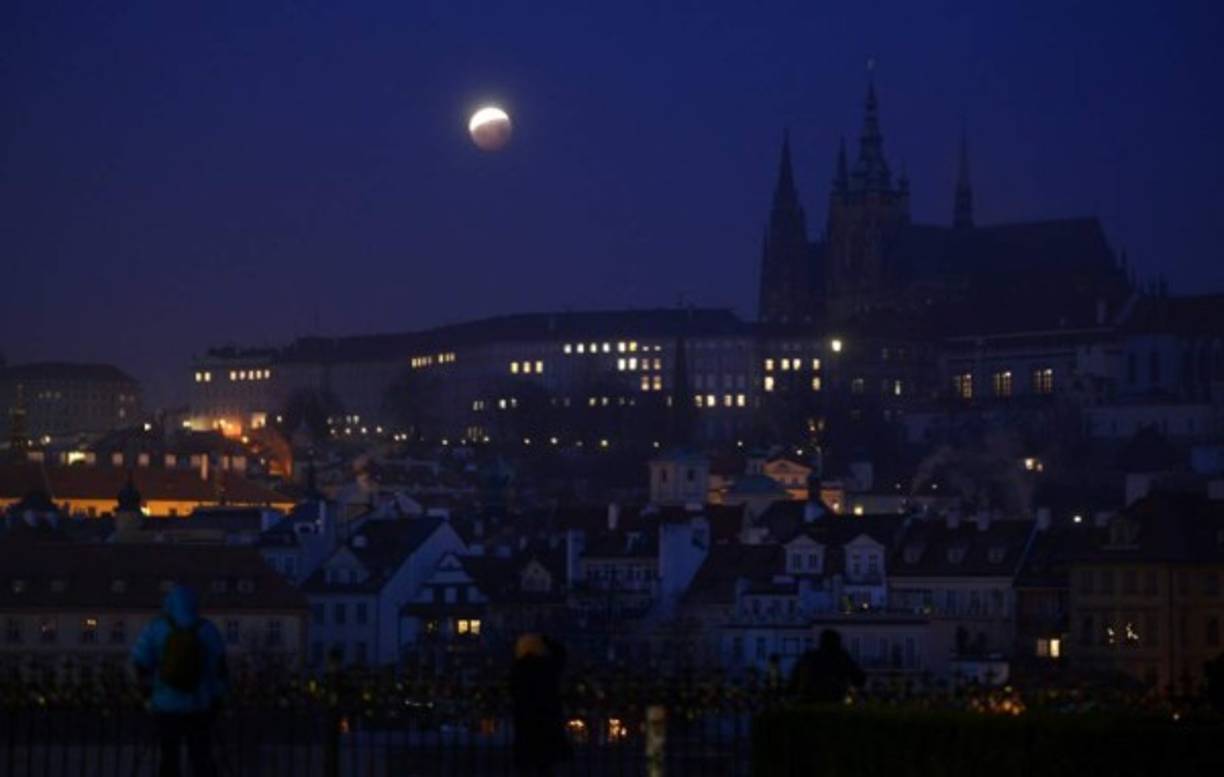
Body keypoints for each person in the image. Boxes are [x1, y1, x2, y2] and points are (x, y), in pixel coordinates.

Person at [131, 584, 229, 777]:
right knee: (201, 756)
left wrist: (148, 696)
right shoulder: (207, 629)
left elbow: (140, 663)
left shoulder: (156, 627)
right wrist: (217, 699)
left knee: (169, 757)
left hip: (165, 705)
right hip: (200, 704)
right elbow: (220, 669)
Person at [510, 633, 570, 776]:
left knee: (527, 761)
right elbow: (562, 654)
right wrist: (546, 639)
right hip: (546, 716)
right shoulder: (548, 666)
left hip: (526, 718)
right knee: (545, 763)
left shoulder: (518, 668)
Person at [789, 629, 865, 704]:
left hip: (808, 702)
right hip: (833, 701)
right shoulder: (841, 657)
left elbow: (793, 682)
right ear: (837, 643)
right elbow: (859, 679)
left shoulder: (808, 657)